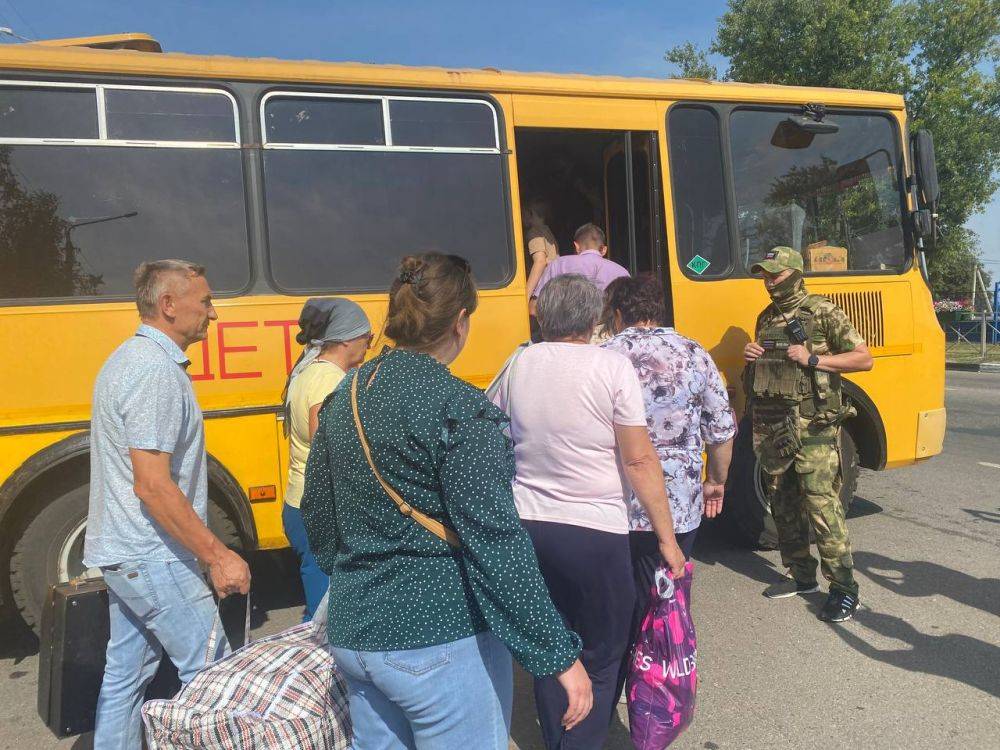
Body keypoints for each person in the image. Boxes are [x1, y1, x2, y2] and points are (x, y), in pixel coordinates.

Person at [301, 253, 592, 750]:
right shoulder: (458, 408)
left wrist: (364, 576)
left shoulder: (346, 395)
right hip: (435, 638)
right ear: (460, 322)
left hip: (356, 633)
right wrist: (558, 654)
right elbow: (496, 542)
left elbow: (319, 515)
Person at [491, 273, 687, 750]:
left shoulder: (518, 363)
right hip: (595, 532)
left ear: (543, 317)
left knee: (551, 647)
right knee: (601, 656)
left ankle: (558, 739)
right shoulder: (611, 368)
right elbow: (639, 459)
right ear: (596, 317)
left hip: (530, 526)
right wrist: (667, 538)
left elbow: (491, 429)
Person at [84, 260, 251, 749]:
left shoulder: (131, 360)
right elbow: (152, 486)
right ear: (169, 305)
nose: (213, 314)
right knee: (214, 673)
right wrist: (218, 555)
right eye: (204, 302)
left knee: (126, 675)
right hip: (152, 556)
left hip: (128, 553)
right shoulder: (152, 372)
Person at [601, 274, 736, 700]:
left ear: (617, 313)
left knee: (618, 598)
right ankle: (658, 668)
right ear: (657, 310)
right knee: (665, 592)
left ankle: (617, 674)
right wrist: (716, 481)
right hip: (677, 506)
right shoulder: (694, 353)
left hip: (613, 502)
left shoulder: (603, 356)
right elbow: (721, 428)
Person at [744, 246, 873, 622]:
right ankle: (801, 576)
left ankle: (845, 589)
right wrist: (751, 355)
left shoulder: (823, 311)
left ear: (796, 274)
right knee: (782, 505)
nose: (769, 282)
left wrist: (815, 358)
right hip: (776, 426)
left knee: (822, 507)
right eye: (766, 275)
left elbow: (863, 359)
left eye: (776, 275)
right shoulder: (766, 317)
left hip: (814, 428)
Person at [282, 297, 372, 621]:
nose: (369, 347)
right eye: (367, 338)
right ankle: (314, 672)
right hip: (319, 507)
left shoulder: (306, 372)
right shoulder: (329, 380)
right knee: (325, 617)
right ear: (347, 338)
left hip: (300, 502)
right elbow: (329, 445)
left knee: (321, 607)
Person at [531, 223, 629, 303]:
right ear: (604, 250)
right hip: (607, 326)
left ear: (576, 246)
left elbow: (534, 307)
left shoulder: (558, 264)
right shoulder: (622, 273)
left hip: (566, 326)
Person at [522, 197, 560, 299]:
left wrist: (525, 296)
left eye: (523, 212)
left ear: (531, 214)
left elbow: (540, 262)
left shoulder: (534, 233)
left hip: (541, 292)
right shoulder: (548, 232)